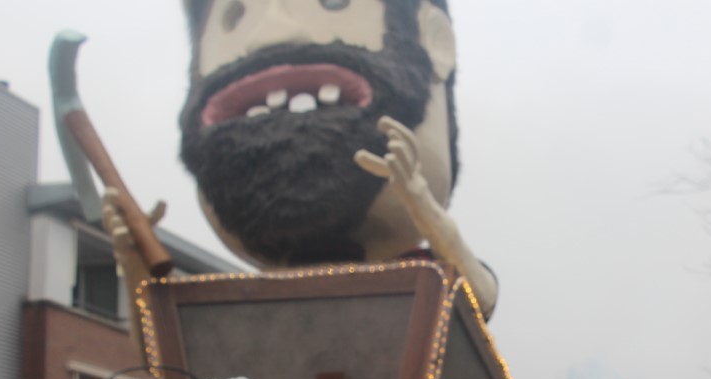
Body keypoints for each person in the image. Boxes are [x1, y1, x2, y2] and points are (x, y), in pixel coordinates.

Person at [177, 0, 499, 318]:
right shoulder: (241, 309)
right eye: (235, 16)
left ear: (435, 41)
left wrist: (425, 209)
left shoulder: (422, 275)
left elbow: (480, 299)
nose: (269, 35)